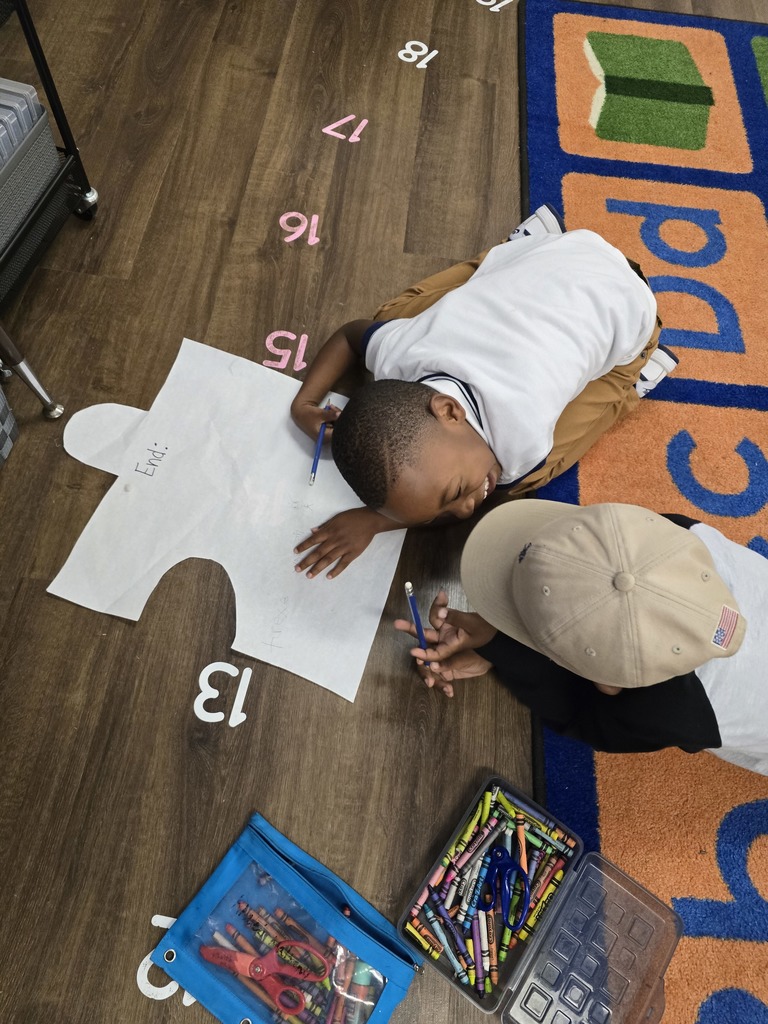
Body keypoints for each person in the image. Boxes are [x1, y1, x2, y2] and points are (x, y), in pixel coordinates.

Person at [291, 206, 678, 579]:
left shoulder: (520, 441)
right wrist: (304, 404)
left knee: (539, 473)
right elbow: (351, 334)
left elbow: (494, 502)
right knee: (387, 321)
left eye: (456, 492)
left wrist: (374, 522)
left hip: (635, 310)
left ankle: (631, 382)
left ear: (450, 411)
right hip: (563, 251)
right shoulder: (399, 351)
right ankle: (512, 248)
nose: (465, 508)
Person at [394, 500, 768, 776]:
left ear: (608, 685)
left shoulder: (680, 714)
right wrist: (495, 642)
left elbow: (581, 715)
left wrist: (500, 645)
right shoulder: (673, 539)